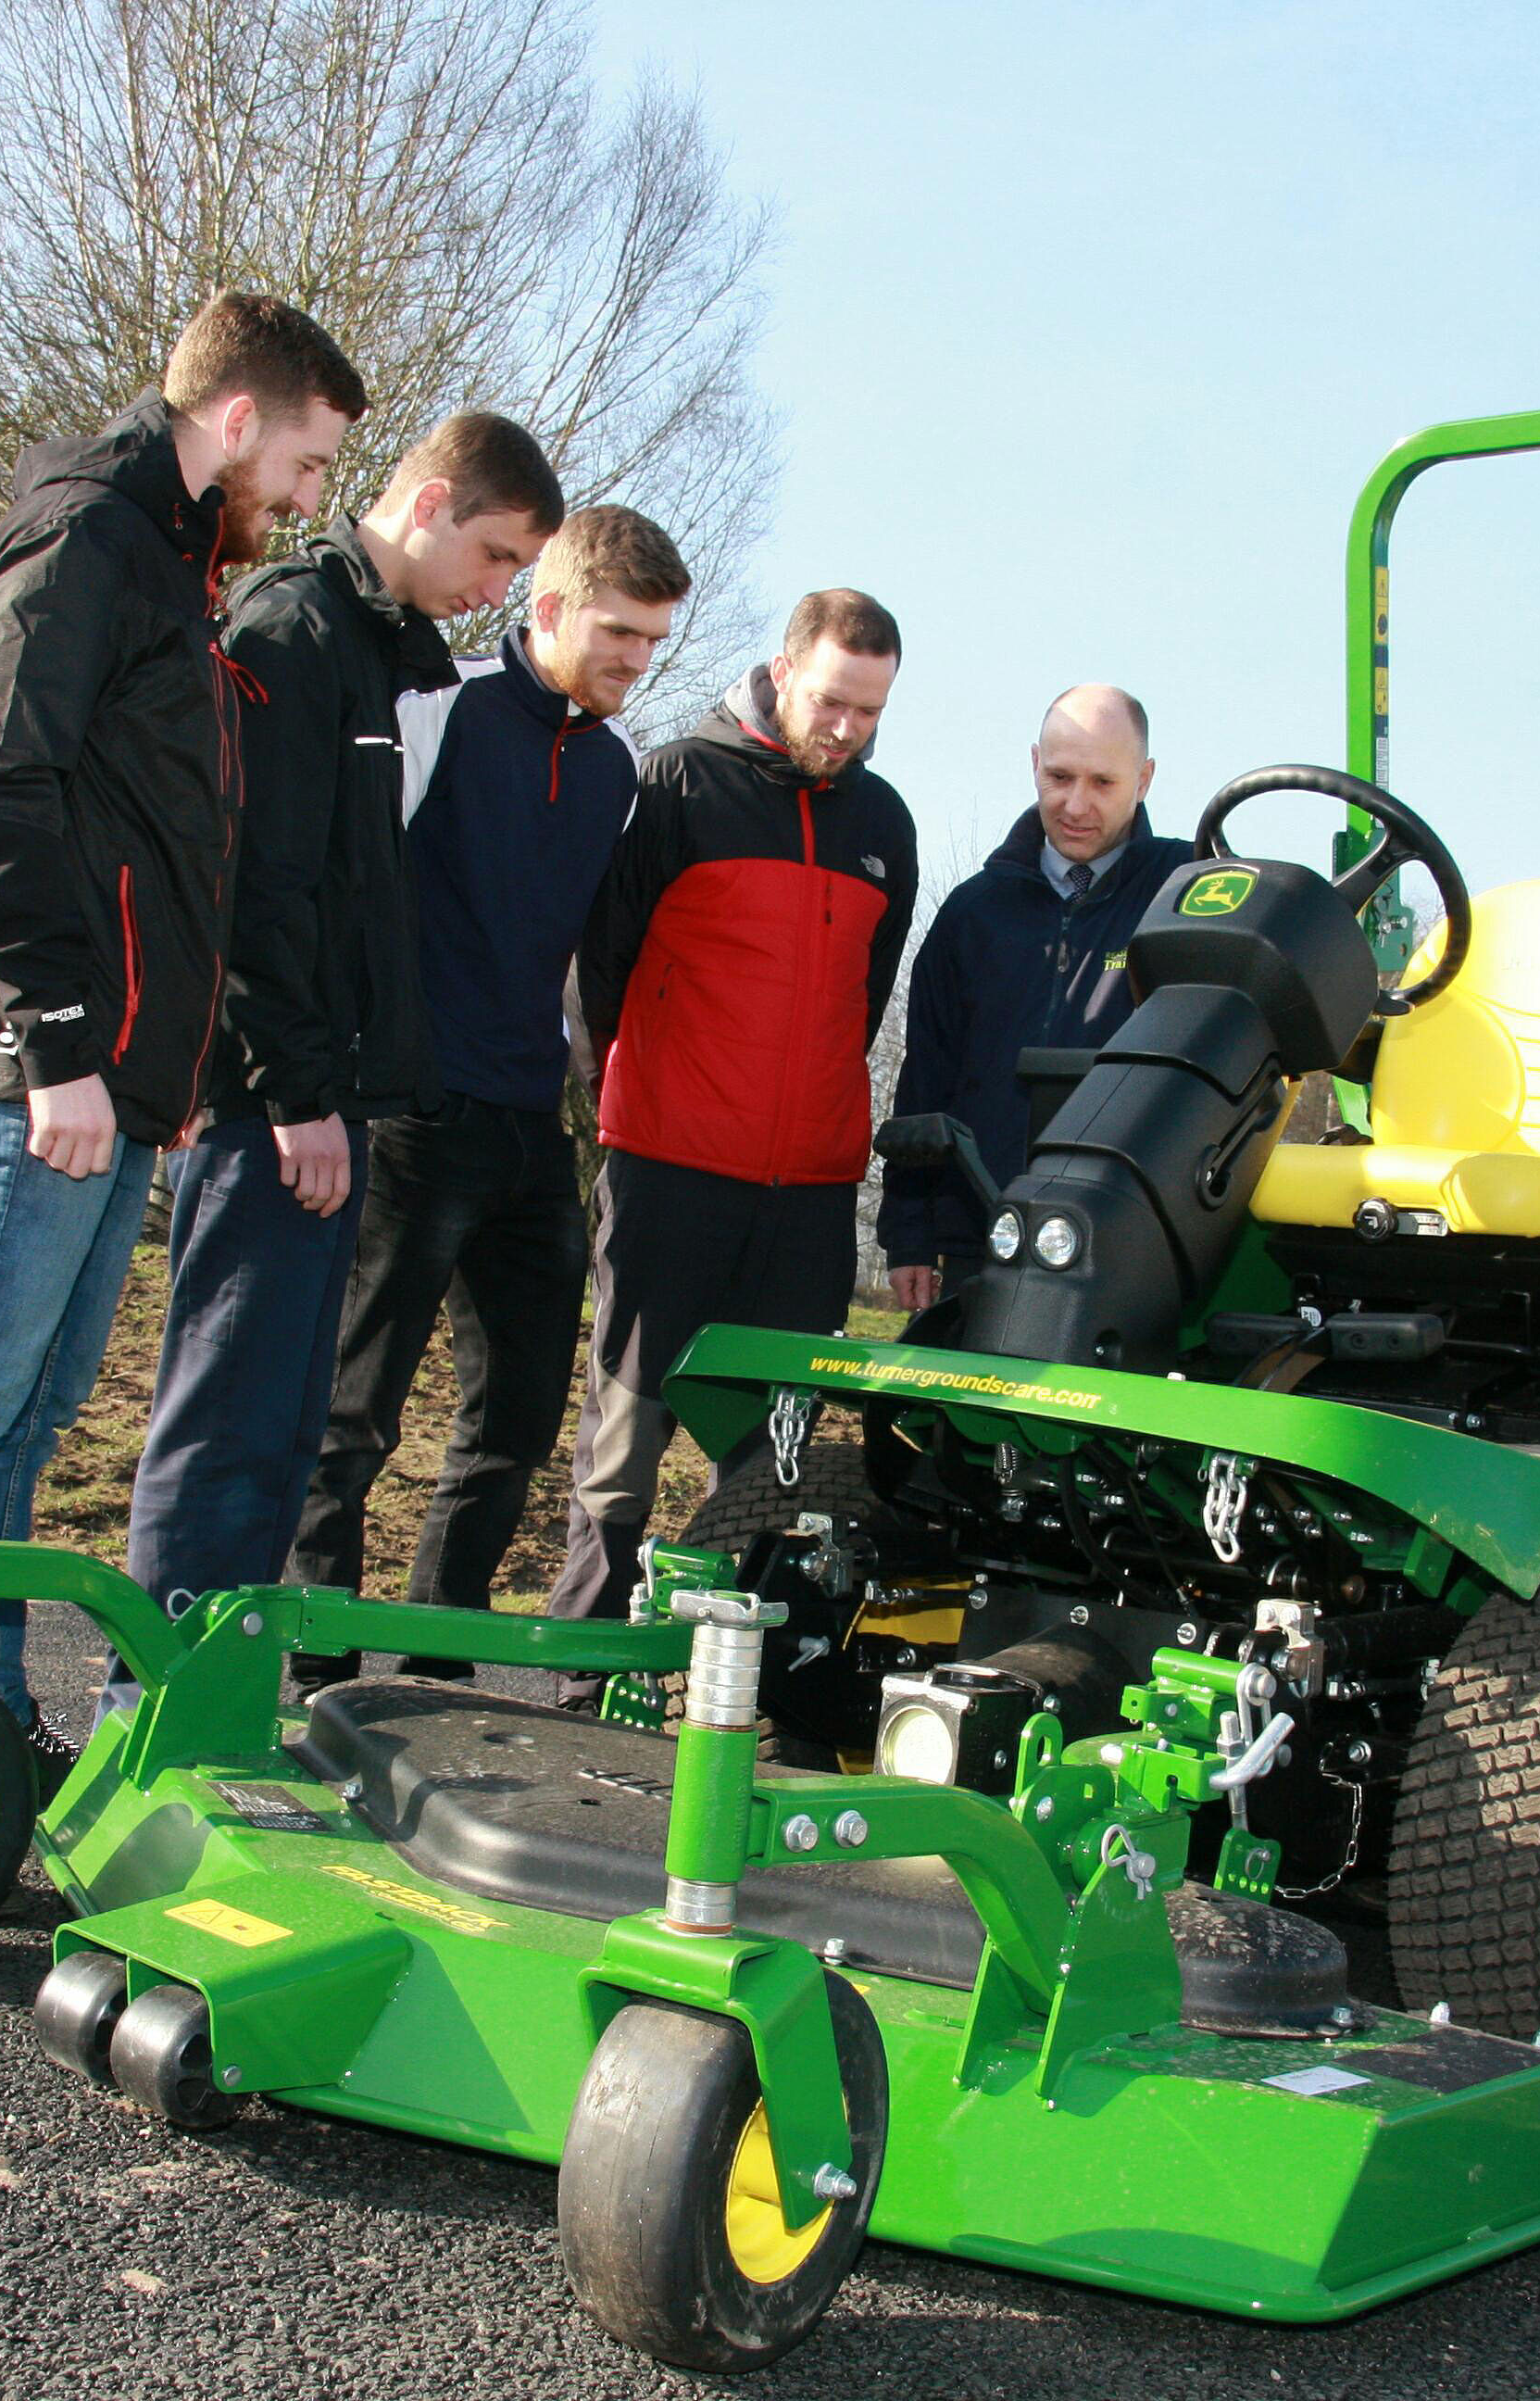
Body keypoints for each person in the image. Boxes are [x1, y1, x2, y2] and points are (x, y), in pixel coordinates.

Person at [0, 292, 364, 1779]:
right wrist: (57, 1043)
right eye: (313, 460)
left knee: (22, 1423)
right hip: (47, 1075)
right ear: (236, 421)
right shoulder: (87, 541)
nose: (312, 494)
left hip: (122, 1083)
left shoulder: (175, 567)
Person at [125, 412, 566, 1697]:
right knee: (226, 1430)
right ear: (427, 505)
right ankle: (156, 1711)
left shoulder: (385, 661)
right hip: (276, 1114)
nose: (499, 594)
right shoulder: (292, 632)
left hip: (334, 1112)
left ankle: (222, 1708)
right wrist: (295, 1093)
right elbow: (256, 892)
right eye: (492, 556)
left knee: (278, 1440)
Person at [288, 505, 691, 1675]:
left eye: (655, 643)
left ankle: (437, 1663)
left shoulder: (617, 768)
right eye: (619, 631)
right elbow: (344, 881)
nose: (635, 660)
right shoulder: (439, 707)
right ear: (550, 607)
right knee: (352, 1420)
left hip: (530, 1132)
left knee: (511, 1428)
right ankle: (315, 1671)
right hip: (408, 1119)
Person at [543, 589, 918, 1678]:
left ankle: (724, 1688)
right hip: (669, 1170)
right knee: (627, 1435)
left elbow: (864, 997)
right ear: (785, 669)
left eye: (873, 711)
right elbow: (599, 972)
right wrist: (641, 1099)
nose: (848, 728)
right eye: (834, 700)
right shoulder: (677, 782)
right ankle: (582, 1666)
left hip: (806, 1192)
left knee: (771, 1456)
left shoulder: (884, 823)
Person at [879, 685, 1193, 1308]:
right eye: (1059, 776)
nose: (1076, 804)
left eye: (1103, 782)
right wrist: (910, 1235)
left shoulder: (1186, 898)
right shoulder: (973, 913)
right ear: (1033, 764)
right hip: (981, 1233)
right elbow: (927, 1080)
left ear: (1145, 779)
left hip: (1129, 1243)